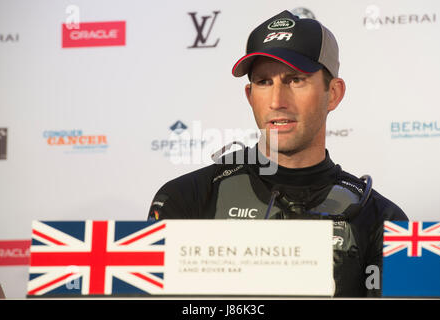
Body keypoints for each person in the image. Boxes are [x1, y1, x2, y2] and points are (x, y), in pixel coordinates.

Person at [148, 10, 408, 297]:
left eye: (295, 80)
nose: (276, 101)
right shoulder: (187, 198)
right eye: (263, 82)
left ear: (333, 93)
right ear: (249, 96)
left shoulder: (382, 218)